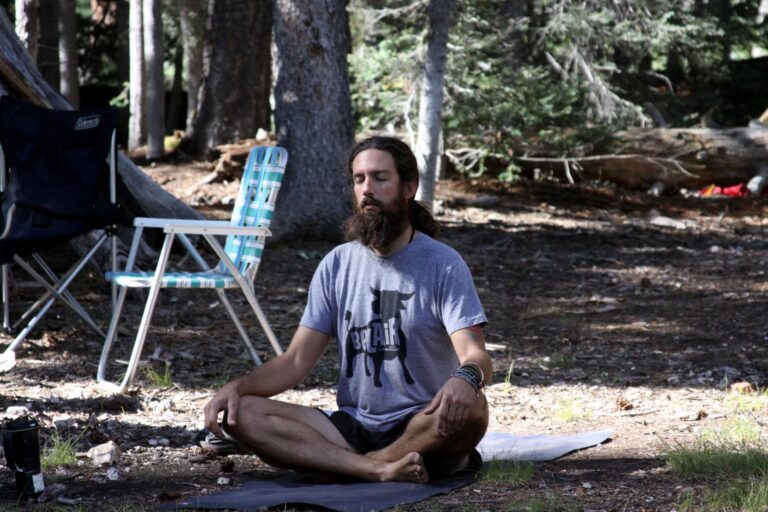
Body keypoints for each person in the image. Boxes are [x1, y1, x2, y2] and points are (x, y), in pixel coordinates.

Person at [203, 136, 492, 483]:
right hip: (352, 427)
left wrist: (465, 378)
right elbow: (295, 362)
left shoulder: (443, 264)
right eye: (360, 179)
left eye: (380, 178)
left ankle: (358, 464)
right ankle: (375, 468)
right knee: (243, 413)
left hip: (425, 423)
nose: (367, 189)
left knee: (473, 407)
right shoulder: (336, 265)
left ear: (408, 187)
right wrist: (236, 387)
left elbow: (476, 355)